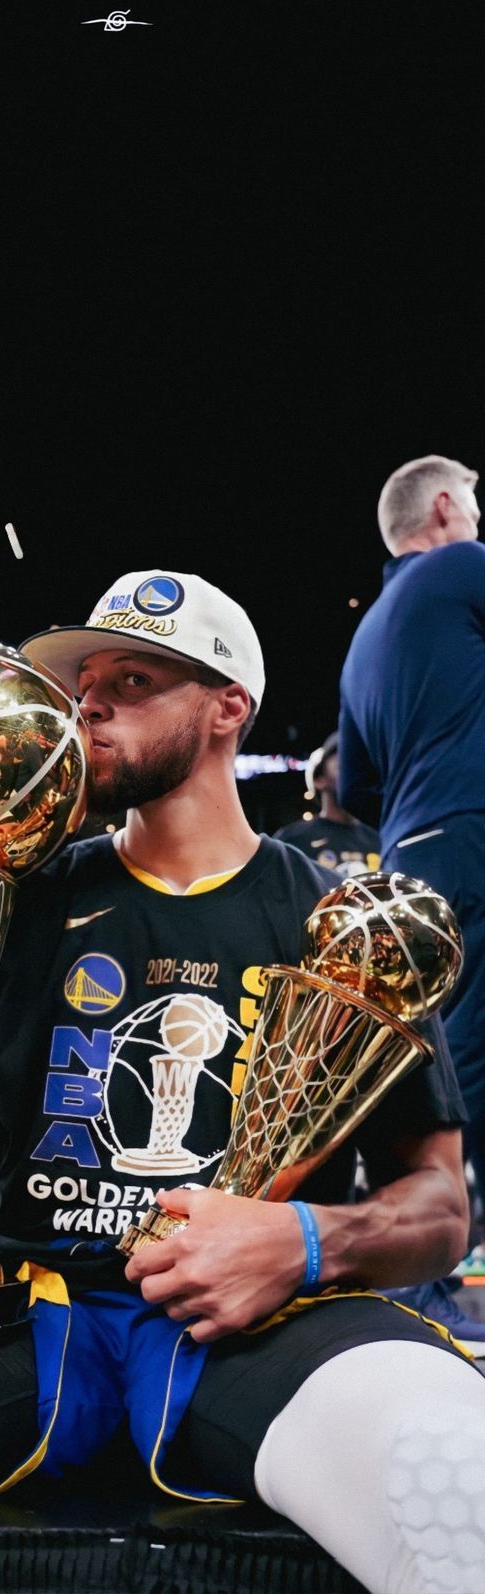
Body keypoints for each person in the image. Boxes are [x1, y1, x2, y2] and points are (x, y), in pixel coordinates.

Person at [0, 568, 484, 1594]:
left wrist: (309, 1237)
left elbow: (441, 1204)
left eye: (135, 680)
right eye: (84, 684)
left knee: (449, 1485)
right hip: (26, 1314)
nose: (89, 704)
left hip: (249, 1326)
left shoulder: (341, 924)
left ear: (229, 709)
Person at [338, 455, 485, 1245]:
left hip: (408, 856)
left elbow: (358, 784)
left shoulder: (365, 637)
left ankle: (426, 1249)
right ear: (441, 508)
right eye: (472, 509)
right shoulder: (463, 565)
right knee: (470, 1054)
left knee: (433, 1061)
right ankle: (432, 1262)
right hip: (473, 832)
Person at [274, 731, 381, 877]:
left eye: (358, 767)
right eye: (343, 765)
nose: (353, 773)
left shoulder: (379, 840)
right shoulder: (292, 840)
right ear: (319, 779)